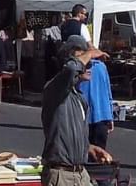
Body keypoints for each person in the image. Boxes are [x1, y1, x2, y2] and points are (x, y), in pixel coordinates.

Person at [40, 36, 111, 186]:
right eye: (85, 60)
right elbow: (72, 69)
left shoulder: (79, 98)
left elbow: (71, 134)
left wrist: (89, 148)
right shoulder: (55, 89)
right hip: (61, 175)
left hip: (80, 174)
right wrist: (90, 53)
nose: (90, 65)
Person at [78, 43, 114, 150]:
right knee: (99, 153)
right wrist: (110, 116)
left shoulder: (80, 71)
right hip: (102, 115)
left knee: (83, 152)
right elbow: (108, 93)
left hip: (83, 116)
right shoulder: (102, 67)